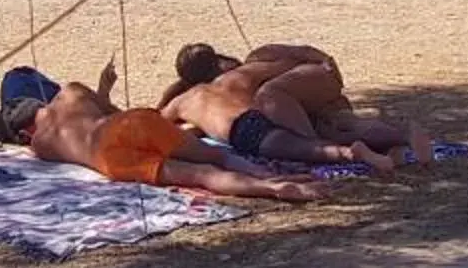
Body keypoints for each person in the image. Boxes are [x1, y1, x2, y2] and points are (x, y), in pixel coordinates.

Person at [6, 62, 320, 201]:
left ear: (24, 131)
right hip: (124, 124)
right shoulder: (71, 92)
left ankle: (272, 190)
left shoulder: (40, 143)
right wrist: (104, 88)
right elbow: (108, 110)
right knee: (214, 156)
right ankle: (266, 174)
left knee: (200, 175)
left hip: (109, 158)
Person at [158, 46, 400, 175]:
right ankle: (394, 139)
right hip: (267, 113)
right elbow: (285, 65)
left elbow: (155, 122)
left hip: (244, 131)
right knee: (315, 134)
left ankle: (351, 153)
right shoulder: (238, 76)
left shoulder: (186, 99)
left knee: (307, 149)